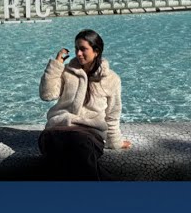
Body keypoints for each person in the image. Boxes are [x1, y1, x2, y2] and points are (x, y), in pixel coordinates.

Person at [38, 29, 130, 180]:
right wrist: (56, 65)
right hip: (56, 131)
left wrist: (115, 142)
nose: (78, 53)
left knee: (78, 149)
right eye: (76, 49)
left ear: (96, 51)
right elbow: (47, 95)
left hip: (88, 136)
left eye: (83, 49)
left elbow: (112, 115)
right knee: (71, 153)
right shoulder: (66, 72)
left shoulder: (111, 79)